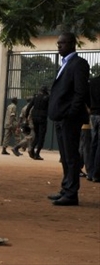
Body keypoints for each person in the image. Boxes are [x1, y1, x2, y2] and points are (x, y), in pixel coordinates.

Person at [47, 32, 90, 206]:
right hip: (60, 117)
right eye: (58, 44)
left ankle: (72, 194)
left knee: (71, 156)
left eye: (62, 44)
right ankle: (66, 188)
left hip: (70, 118)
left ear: (72, 44)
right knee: (65, 156)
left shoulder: (79, 64)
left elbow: (80, 92)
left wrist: (71, 113)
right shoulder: (64, 64)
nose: (59, 47)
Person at [27, 86, 50, 160]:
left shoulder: (35, 97)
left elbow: (29, 107)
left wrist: (26, 116)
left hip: (34, 117)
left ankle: (32, 148)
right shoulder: (47, 98)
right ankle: (37, 154)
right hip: (42, 118)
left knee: (36, 135)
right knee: (41, 137)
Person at [88, 75, 100, 182]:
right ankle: (97, 173)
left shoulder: (92, 81)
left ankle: (90, 172)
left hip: (93, 114)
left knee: (93, 143)